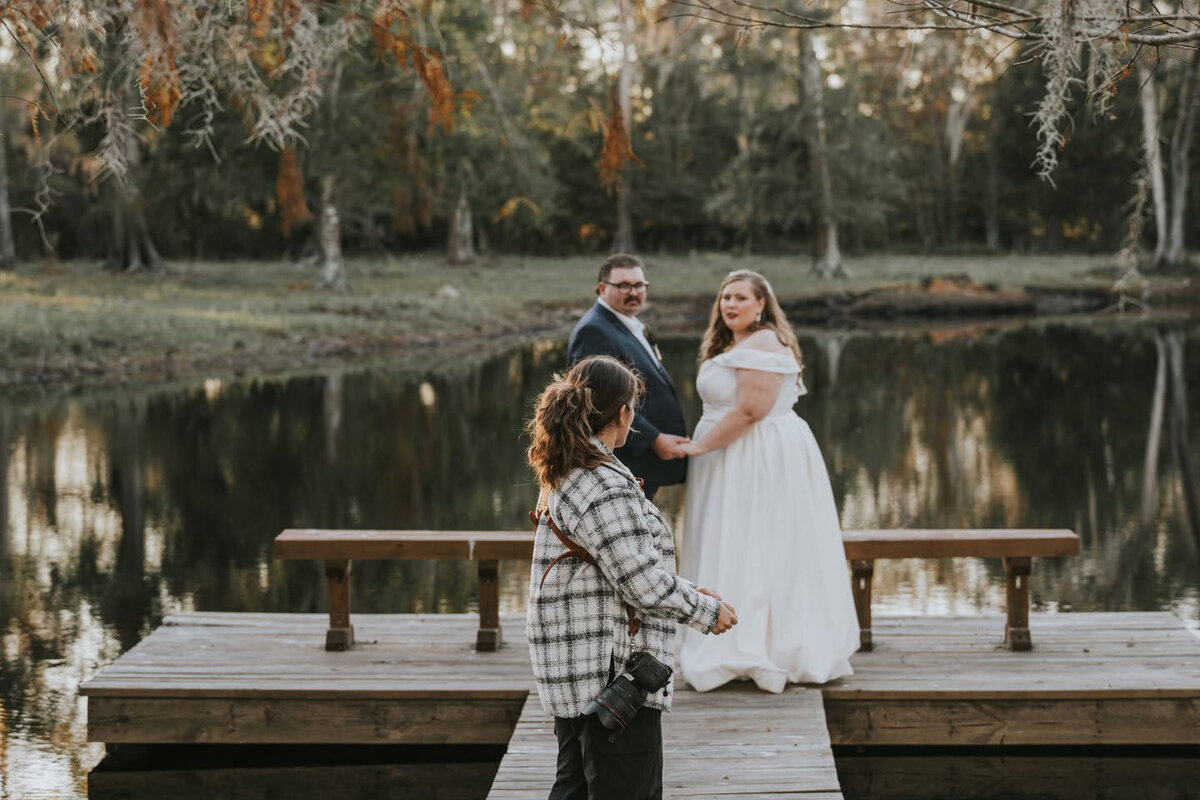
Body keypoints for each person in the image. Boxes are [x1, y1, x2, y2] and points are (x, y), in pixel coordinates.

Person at [525, 355, 738, 800]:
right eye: (633, 410)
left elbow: (614, 565)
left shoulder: (567, 470)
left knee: (575, 787)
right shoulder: (603, 483)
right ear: (623, 412)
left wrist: (685, 589)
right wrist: (706, 611)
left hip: (576, 666)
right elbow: (640, 580)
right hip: (611, 673)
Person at [677, 270, 858, 693]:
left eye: (741, 297)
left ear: (762, 305)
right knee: (734, 541)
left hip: (753, 457)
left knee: (756, 541)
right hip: (734, 456)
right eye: (725, 297)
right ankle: (730, 635)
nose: (731, 305)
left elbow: (751, 411)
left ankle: (760, 645)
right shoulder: (734, 342)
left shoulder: (762, 341)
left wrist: (698, 449)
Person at [567, 254, 689, 500]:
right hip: (626, 458)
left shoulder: (625, 322)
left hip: (641, 462)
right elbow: (602, 403)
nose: (633, 292)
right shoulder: (594, 330)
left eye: (639, 285)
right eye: (623, 285)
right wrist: (654, 439)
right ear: (602, 288)